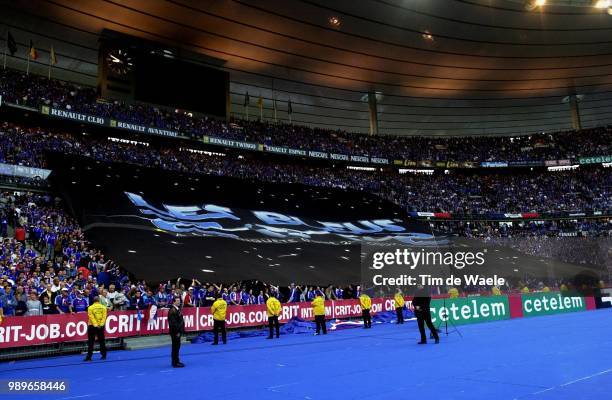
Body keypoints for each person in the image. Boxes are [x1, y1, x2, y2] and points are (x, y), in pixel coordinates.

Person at [84, 296, 107, 361]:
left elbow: (91, 317)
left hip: (92, 326)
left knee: (91, 341)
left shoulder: (90, 308)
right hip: (101, 326)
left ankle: (89, 357)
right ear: (99, 300)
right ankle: (104, 355)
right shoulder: (103, 307)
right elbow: (104, 316)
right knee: (102, 341)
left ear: (93, 301)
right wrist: (101, 324)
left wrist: (96, 325)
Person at [168, 296, 185, 367]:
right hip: (175, 332)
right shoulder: (172, 310)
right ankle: (175, 362)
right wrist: (177, 332)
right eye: (177, 301)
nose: (179, 302)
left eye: (179, 301)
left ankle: (176, 361)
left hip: (177, 331)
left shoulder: (177, 309)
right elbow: (173, 323)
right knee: (175, 347)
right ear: (174, 302)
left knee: (177, 346)